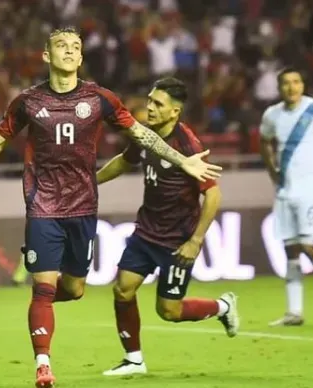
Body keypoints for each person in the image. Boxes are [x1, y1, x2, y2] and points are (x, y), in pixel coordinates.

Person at [0, 27, 222, 388]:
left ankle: (41, 304)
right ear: (47, 55)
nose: (69, 51)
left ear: (81, 58)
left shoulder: (100, 99)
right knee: (44, 287)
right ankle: (43, 365)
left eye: (75, 47)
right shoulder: (28, 102)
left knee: (75, 288)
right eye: (61, 46)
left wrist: (182, 160)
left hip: (82, 208)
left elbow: (141, 135)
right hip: (42, 204)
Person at [93, 77, 239, 376]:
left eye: (158, 104)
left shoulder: (188, 146)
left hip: (176, 240)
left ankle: (222, 306)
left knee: (169, 311)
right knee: (123, 290)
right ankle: (134, 359)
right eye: (149, 100)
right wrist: (90, 183)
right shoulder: (144, 135)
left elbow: (212, 194)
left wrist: (196, 240)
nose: (150, 107)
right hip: (146, 232)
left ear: (175, 111)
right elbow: (124, 161)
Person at [259, 67, 313, 326]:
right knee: (290, 248)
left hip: (312, 187)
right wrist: (272, 170)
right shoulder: (272, 115)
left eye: (296, 82)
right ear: (279, 87)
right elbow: (264, 141)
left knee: (307, 245)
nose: (291, 87)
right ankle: (294, 312)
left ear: (303, 84)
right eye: (286, 83)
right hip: (286, 188)